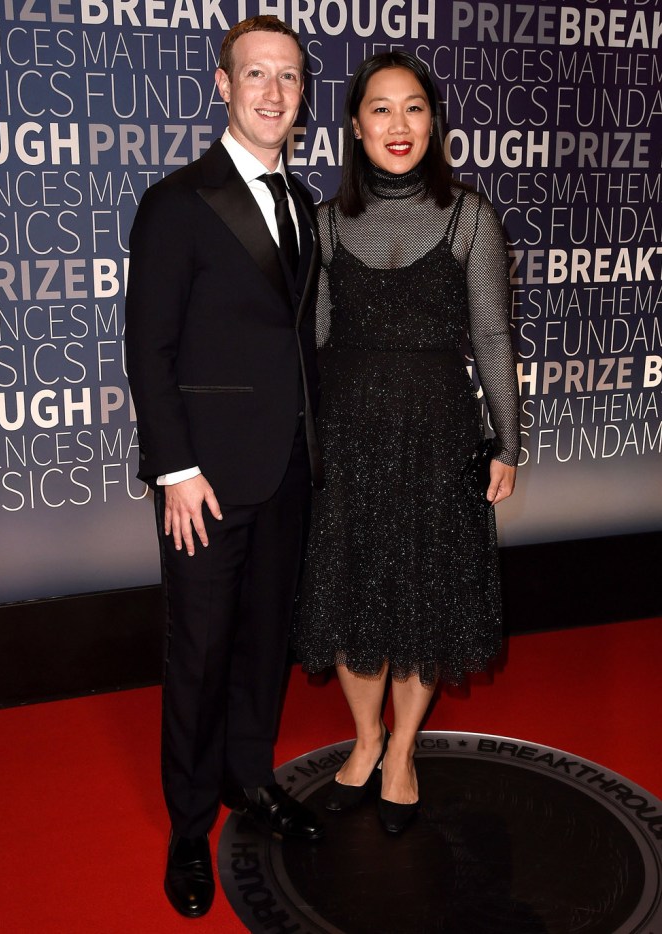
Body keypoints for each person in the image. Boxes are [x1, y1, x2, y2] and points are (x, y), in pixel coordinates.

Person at [125, 16, 324, 920]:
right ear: (222, 83)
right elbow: (147, 349)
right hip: (204, 485)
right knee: (199, 656)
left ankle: (252, 783)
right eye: (256, 74)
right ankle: (186, 828)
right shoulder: (178, 202)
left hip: (288, 472)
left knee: (263, 646)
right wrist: (175, 472)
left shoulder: (308, 205)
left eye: (288, 77)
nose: (273, 93)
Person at [295, 51, 520, 835]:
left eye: (414, 107)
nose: (399, 125)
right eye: (380, 110)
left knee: (425, 597)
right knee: (356, 592)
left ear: (434, 122)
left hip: (439, 438)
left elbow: (492, 336)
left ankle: (401, 756)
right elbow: (314, 340)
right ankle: (365, 740)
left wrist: (509, 443)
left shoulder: (470, 217)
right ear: (355, 128)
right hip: (350, 438)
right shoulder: (322, 223)